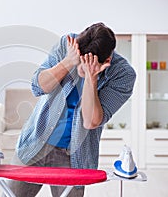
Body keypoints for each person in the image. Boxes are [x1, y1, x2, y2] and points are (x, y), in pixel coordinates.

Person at [7, 22, 136, 197]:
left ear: (107, 61)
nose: (80, 69)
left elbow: (91, 121)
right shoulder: (67, 45)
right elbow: (38, 87)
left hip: (74, 156)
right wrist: (69, 61)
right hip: (36, 142)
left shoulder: (123, 75)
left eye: (87, 65)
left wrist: (91, 78)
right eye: (80, 62)